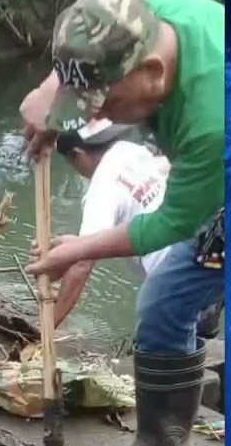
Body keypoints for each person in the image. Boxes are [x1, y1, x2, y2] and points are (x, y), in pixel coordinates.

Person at [22, 0, 225, 446]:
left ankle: (161, 445)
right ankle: (165, 442)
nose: (92, 115)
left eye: (103, 103)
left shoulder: (213, 123)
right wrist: (52, 107)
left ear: (153, 73)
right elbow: (83, 39)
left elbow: (170, 225)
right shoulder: (146, 19)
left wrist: (78, 250)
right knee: (164, 307)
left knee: (168, 298)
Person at [47, 120, 173, 328]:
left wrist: (50, 323)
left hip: (171, 270)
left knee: (158, 343)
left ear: (77, 154)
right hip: (209, 248)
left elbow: (82, 261)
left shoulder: (103, 185)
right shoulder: (135, 150)